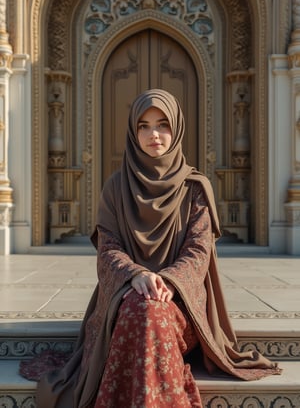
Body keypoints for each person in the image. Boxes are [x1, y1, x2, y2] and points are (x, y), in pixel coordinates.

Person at [22, 89, 281, 407]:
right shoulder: (115, 187)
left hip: (181, 304)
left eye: (162, 124)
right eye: (143, 125)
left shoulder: (195, 187)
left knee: (152, 313)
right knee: (142, 310)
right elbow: (108, 248)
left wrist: (168, 281)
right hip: (124, 296)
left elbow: (198, 251)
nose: (153, 134)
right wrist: (136, 275)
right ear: (133, 131)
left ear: (176, 128)